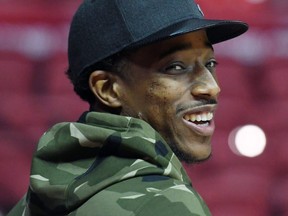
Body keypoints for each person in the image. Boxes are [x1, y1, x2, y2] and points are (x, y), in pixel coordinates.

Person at [8, 0, 248, 215]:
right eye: (175, 67)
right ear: (108, 89)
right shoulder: (166, 204)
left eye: (210, 62)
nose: (211, 87)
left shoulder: (32, 203)